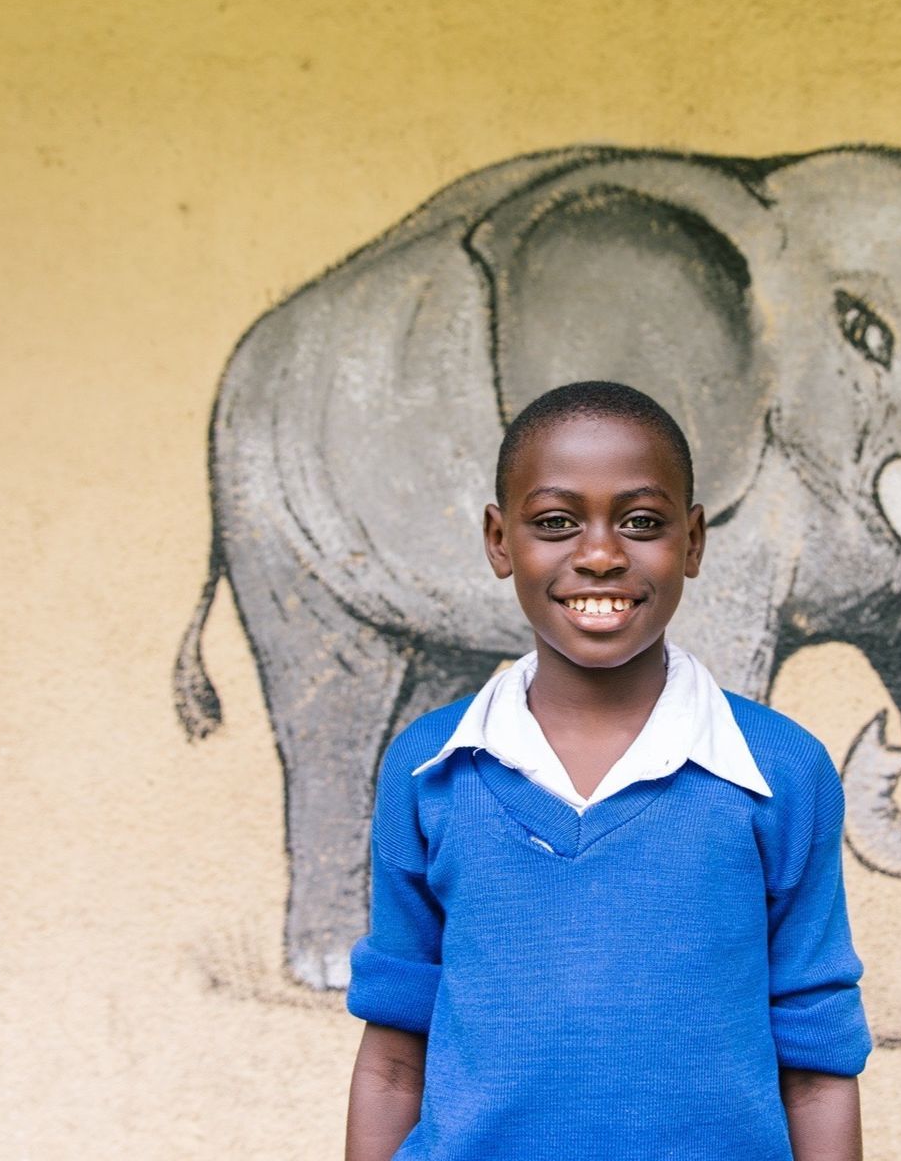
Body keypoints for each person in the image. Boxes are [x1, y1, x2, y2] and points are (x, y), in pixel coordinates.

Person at [344, 380, 871, 1161]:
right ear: (499, 540)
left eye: (642, 522)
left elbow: (818, 1068)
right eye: (556, 522)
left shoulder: (780, 771)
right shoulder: (430, 769)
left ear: (692, 542)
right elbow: (393, 1062)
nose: (598, 554)